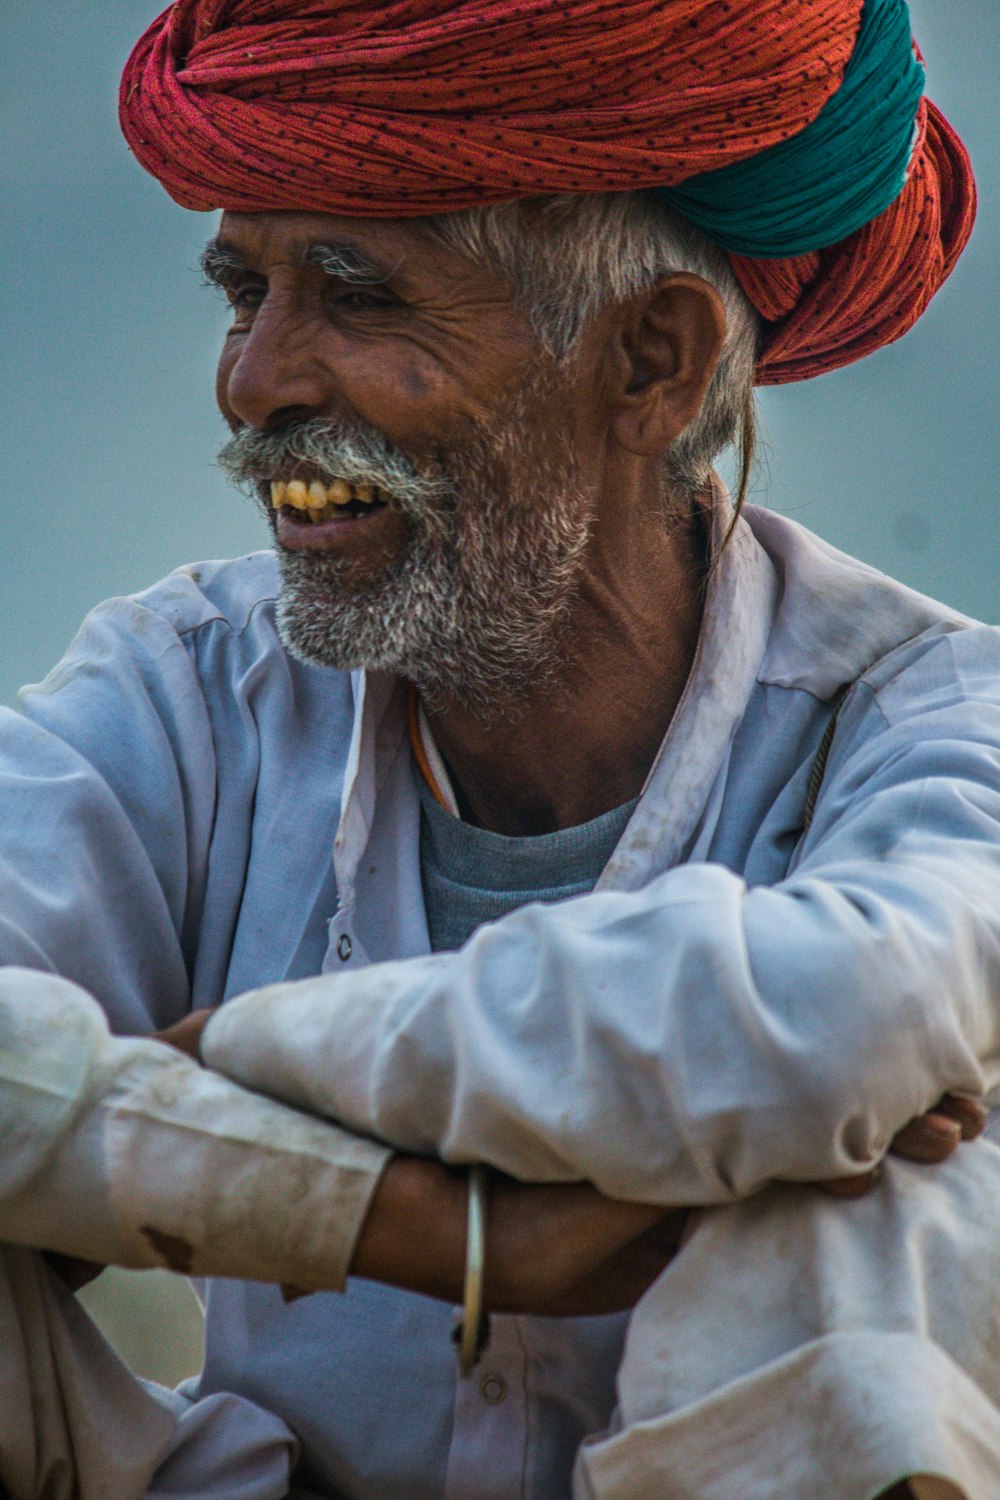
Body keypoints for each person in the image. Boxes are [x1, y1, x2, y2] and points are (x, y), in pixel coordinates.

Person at [3, 0, 999, 1496]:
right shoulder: (182, 694)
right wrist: (422, 1226)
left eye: (356, 295)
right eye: (243, 292)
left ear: (651, 362)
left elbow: (840, 1012)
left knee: (843, 1212)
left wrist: (220, 1071)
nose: (255, 381)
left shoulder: (928, 721)